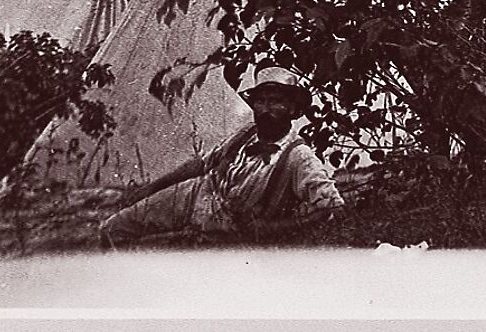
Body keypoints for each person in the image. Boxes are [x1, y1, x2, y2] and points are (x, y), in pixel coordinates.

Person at [99, 66, 344, 247]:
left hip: (226, 231)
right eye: (261, 101)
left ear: (293, 110)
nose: (266, 110)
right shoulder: (247, 133)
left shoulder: (298, 156)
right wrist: (151, 188)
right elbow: (202, 164)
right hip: (195, 195)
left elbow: (331, 208)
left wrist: (272, 228)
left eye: (277, 102)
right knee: (113, 229)